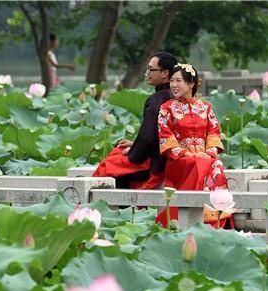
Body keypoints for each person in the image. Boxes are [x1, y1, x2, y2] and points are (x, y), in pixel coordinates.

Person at [157, 63, 233, 228]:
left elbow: (214, 132)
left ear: (191, 84)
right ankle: (200, 220)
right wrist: (189, 155)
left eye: (178, 81)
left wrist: (210, 152)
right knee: (198, 163)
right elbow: (166, 137)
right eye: (171, 81)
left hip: (205, 157)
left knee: (217, 164)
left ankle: (216, 219)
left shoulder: (205, 107)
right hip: (179, 161)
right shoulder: (166, 109)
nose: (174, 85)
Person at [92, 51, 177, 189]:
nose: (147, 73)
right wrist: (134, 144)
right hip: (171, 159)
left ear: (165, 73)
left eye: (151, 69)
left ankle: (117, 207)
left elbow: (148, 137)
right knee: (119, 154)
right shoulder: (178, 96)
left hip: (157, 164)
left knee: (111, 165)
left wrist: (133, 153)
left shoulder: (157, 100)